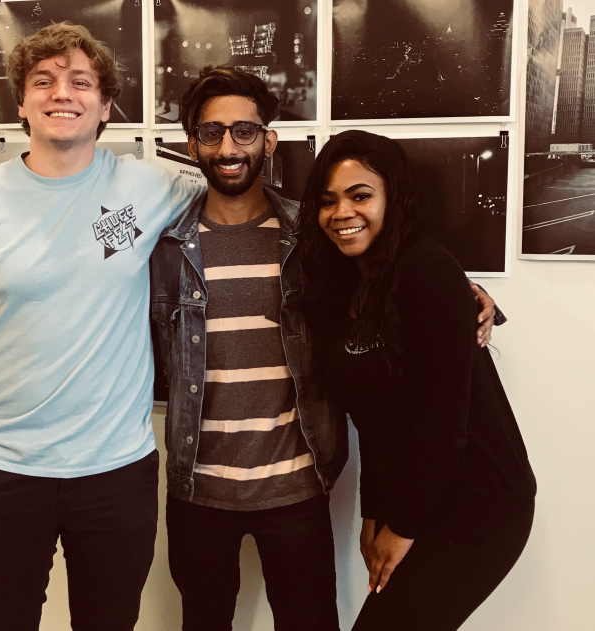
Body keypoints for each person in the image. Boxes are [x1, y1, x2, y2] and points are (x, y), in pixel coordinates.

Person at [149, 68, 499, 631]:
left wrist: (474, 300)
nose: (227, 146)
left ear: (269, 140)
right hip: (198, 487)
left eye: (243, 130)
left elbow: (393, 280)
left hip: (298, 486)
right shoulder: (162, 244)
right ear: (192, 143)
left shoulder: (313, 236)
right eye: (210, 132)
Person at [0, 23, 200, 631]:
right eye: (42, 81)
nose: (60, 93)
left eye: (80, 82)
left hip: (117, 472)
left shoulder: (148, 185)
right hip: (1, 472)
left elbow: (240, 191)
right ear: (21, 102)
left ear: (104, 105)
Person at [298, 130, 536, 631]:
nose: (342, 212)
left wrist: (400, 528)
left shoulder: (426, 269)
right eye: (328, 201)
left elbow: (443, 421)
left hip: (479, 506)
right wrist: (373, 514)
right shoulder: (349, 283)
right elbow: (377, 422)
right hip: (419, 500)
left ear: (393, 197)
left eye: (361, 195)